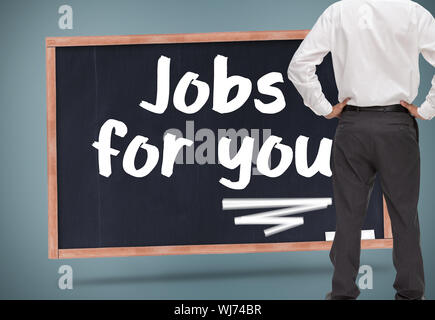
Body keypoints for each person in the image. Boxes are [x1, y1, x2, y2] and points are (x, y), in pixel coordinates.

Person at [287, 0, 434, 300]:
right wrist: (428, 109)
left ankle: (342, 293)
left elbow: (299, 65)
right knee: (405, 215)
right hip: (397, 126)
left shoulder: (339, 11)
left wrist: (324, 107)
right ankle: (410, 294)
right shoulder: (412, 11)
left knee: (348, 216)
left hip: (352, 126)